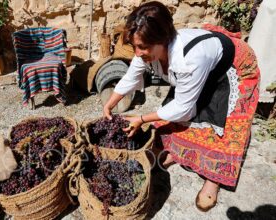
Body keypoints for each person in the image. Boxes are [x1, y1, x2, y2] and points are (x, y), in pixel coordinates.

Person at [103, 1, 260, 212]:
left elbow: (183, 108)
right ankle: (177, 152)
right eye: (135, 47)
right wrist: (110, 103)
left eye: (143, 47)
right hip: (201, 67)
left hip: (232, 68)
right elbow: (132, 75)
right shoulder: (148, 48)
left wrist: (141, 119)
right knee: (174, 121)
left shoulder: (189, 59)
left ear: (163, 39)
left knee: (223, 121)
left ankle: (214, 177)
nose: (138, 52)